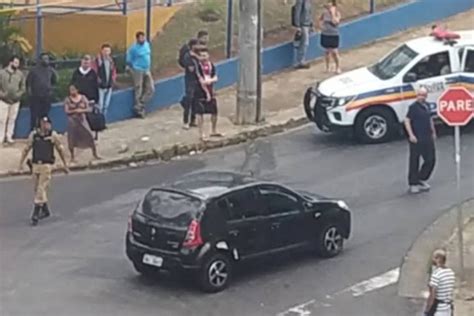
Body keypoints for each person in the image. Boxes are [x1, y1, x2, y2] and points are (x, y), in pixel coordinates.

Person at [18, 116, 69, 226]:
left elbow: (60, 150)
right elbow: (26, 149)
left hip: (47, 165)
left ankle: (35, 213)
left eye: (47, 123)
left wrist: (65, 164)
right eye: (43, 123)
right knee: (37, 189)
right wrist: (20, 163)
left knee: (41, 188)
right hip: (36, 164)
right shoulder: (34, 135)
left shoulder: (53, 135)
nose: (46, 125)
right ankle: (45, 210)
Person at [404, 87, 437, 194]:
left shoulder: (427, 106)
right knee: (414, 160)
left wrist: (433, 131)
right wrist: (411, 135)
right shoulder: (413, 107)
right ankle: (413, 183)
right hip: (416, 137)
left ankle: (421, 178)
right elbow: (407, 120)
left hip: (427, 136)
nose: (421, 97)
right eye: (419, 95)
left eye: (423, 95)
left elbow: (430, 119)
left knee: (430, 159)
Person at [64, 84, 100, 163]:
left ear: (77, 90)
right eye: (70, 90)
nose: (72, 91)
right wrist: (74, 111)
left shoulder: (83, 98)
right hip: (73, 122)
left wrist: (81, 110)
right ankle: (72, 157)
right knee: (71, 139)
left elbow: (89, 109)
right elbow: (66, 111)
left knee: (90, 135)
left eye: (73, 89)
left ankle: (95, 154)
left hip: (82, 120)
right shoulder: (67, 99)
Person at [126, 31, 155, 118]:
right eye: (140, 38)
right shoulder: (133, 48)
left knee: (151, 89)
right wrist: (134, 67)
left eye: (143, 37)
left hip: (147, 69)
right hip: (138, 70)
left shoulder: (147, 44)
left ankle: (140, 104)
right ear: (137, 39)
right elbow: (129, 60)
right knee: (138, 88)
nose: (142, 39)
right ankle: (139, 109)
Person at [26, 53, 58, 130]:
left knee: (44, 115)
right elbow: (28, 83)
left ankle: (44, 130)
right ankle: (33, 130)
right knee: (34, 115)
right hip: (35, 97)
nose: (46, 60)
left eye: (47, 59)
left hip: (46, 97)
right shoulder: (34, 70)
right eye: (44, 58)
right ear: (40, 60)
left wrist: (51, 90)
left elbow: (54, 81)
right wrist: (30, 94)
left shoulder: (50, 70)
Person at [194, 49, 221, 141]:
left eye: (205, 55)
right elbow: (201, 81)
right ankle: (201, 134)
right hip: (200, 91)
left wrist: (211, 87)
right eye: (201, 56)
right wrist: (207, 93)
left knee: (214, 111)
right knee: (200, 112)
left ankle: (213, 130)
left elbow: (216, 77)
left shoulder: (211, 66)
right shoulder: (197, 67)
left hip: (211, 90)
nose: (204, 57)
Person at [0, 56, 25, 145]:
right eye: (15, 63)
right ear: (10, 62)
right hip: (3, 100)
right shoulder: (2, 73)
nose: (17, 65)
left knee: (12, 119)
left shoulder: (20, 74)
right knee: (2, 119)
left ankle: (9, 136)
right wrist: (2, 95)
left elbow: (23, 87)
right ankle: (1, 137)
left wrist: (18, 95)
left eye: (18, 63)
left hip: (15, 101)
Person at [424, 249, 455, 316]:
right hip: (448, 308)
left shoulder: (436, 275)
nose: (432, 260)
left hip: (438, 309)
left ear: (438, 259)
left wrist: (427, 309)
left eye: (434, 257)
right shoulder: (451, 272)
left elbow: (432, 295)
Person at [180, 39, 201, 129]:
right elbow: (192, 69)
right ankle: (185, 121)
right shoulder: (188, 57)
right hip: (190, 80)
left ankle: (193, 120)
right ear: (192, 46)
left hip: (197, 81)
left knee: (196, 101)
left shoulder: (197, 55)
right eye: (197, 45)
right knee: (189, 100)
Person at [93, 44, 117, 119]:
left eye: (108, 51)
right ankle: (100, 120)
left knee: (106, 105)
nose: (106, 53)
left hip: (109, 85)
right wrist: (98, 79)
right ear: (102, 51)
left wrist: (113, 79)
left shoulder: (111, 61)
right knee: (100, 104)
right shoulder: (98, 60)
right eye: (105, 51)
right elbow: (94, 71)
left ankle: (104, 119)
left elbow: (113, 71)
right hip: (100, 86)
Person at [319, 0, 342, 73]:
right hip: (325, 34)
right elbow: (320, 19)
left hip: (333, 34)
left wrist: (332, 14)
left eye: (329, 2)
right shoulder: (324, 13)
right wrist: (321, 26)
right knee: (327, 52)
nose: (328, 4)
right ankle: (327, 67)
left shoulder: (337, 13)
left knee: (334, 51)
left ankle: (338, 67)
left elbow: (335, 22)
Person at [293, 0, 313, 69]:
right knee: (304, 43)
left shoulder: (309, 1)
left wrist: (311, 24)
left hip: (307, 24)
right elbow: (297, 13)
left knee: (304, 43)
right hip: (302, 25)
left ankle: (301, 60)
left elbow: (310, 13)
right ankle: (300, 61)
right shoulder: (300, 1)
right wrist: (297, 26)